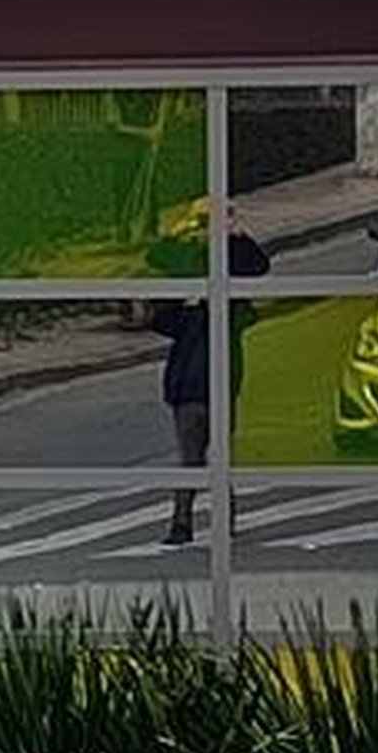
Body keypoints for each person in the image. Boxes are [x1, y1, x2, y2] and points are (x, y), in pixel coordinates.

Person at [143, 230, 273, 546]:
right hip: (192, 390)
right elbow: (156, 269)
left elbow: (258, 266)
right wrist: (184, 237)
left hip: (210, 389)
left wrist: (235, 237)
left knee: (206, 461)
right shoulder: (192, 307)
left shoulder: (230, 306)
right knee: (197, 460)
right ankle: (193, 524)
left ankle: (197, 524)